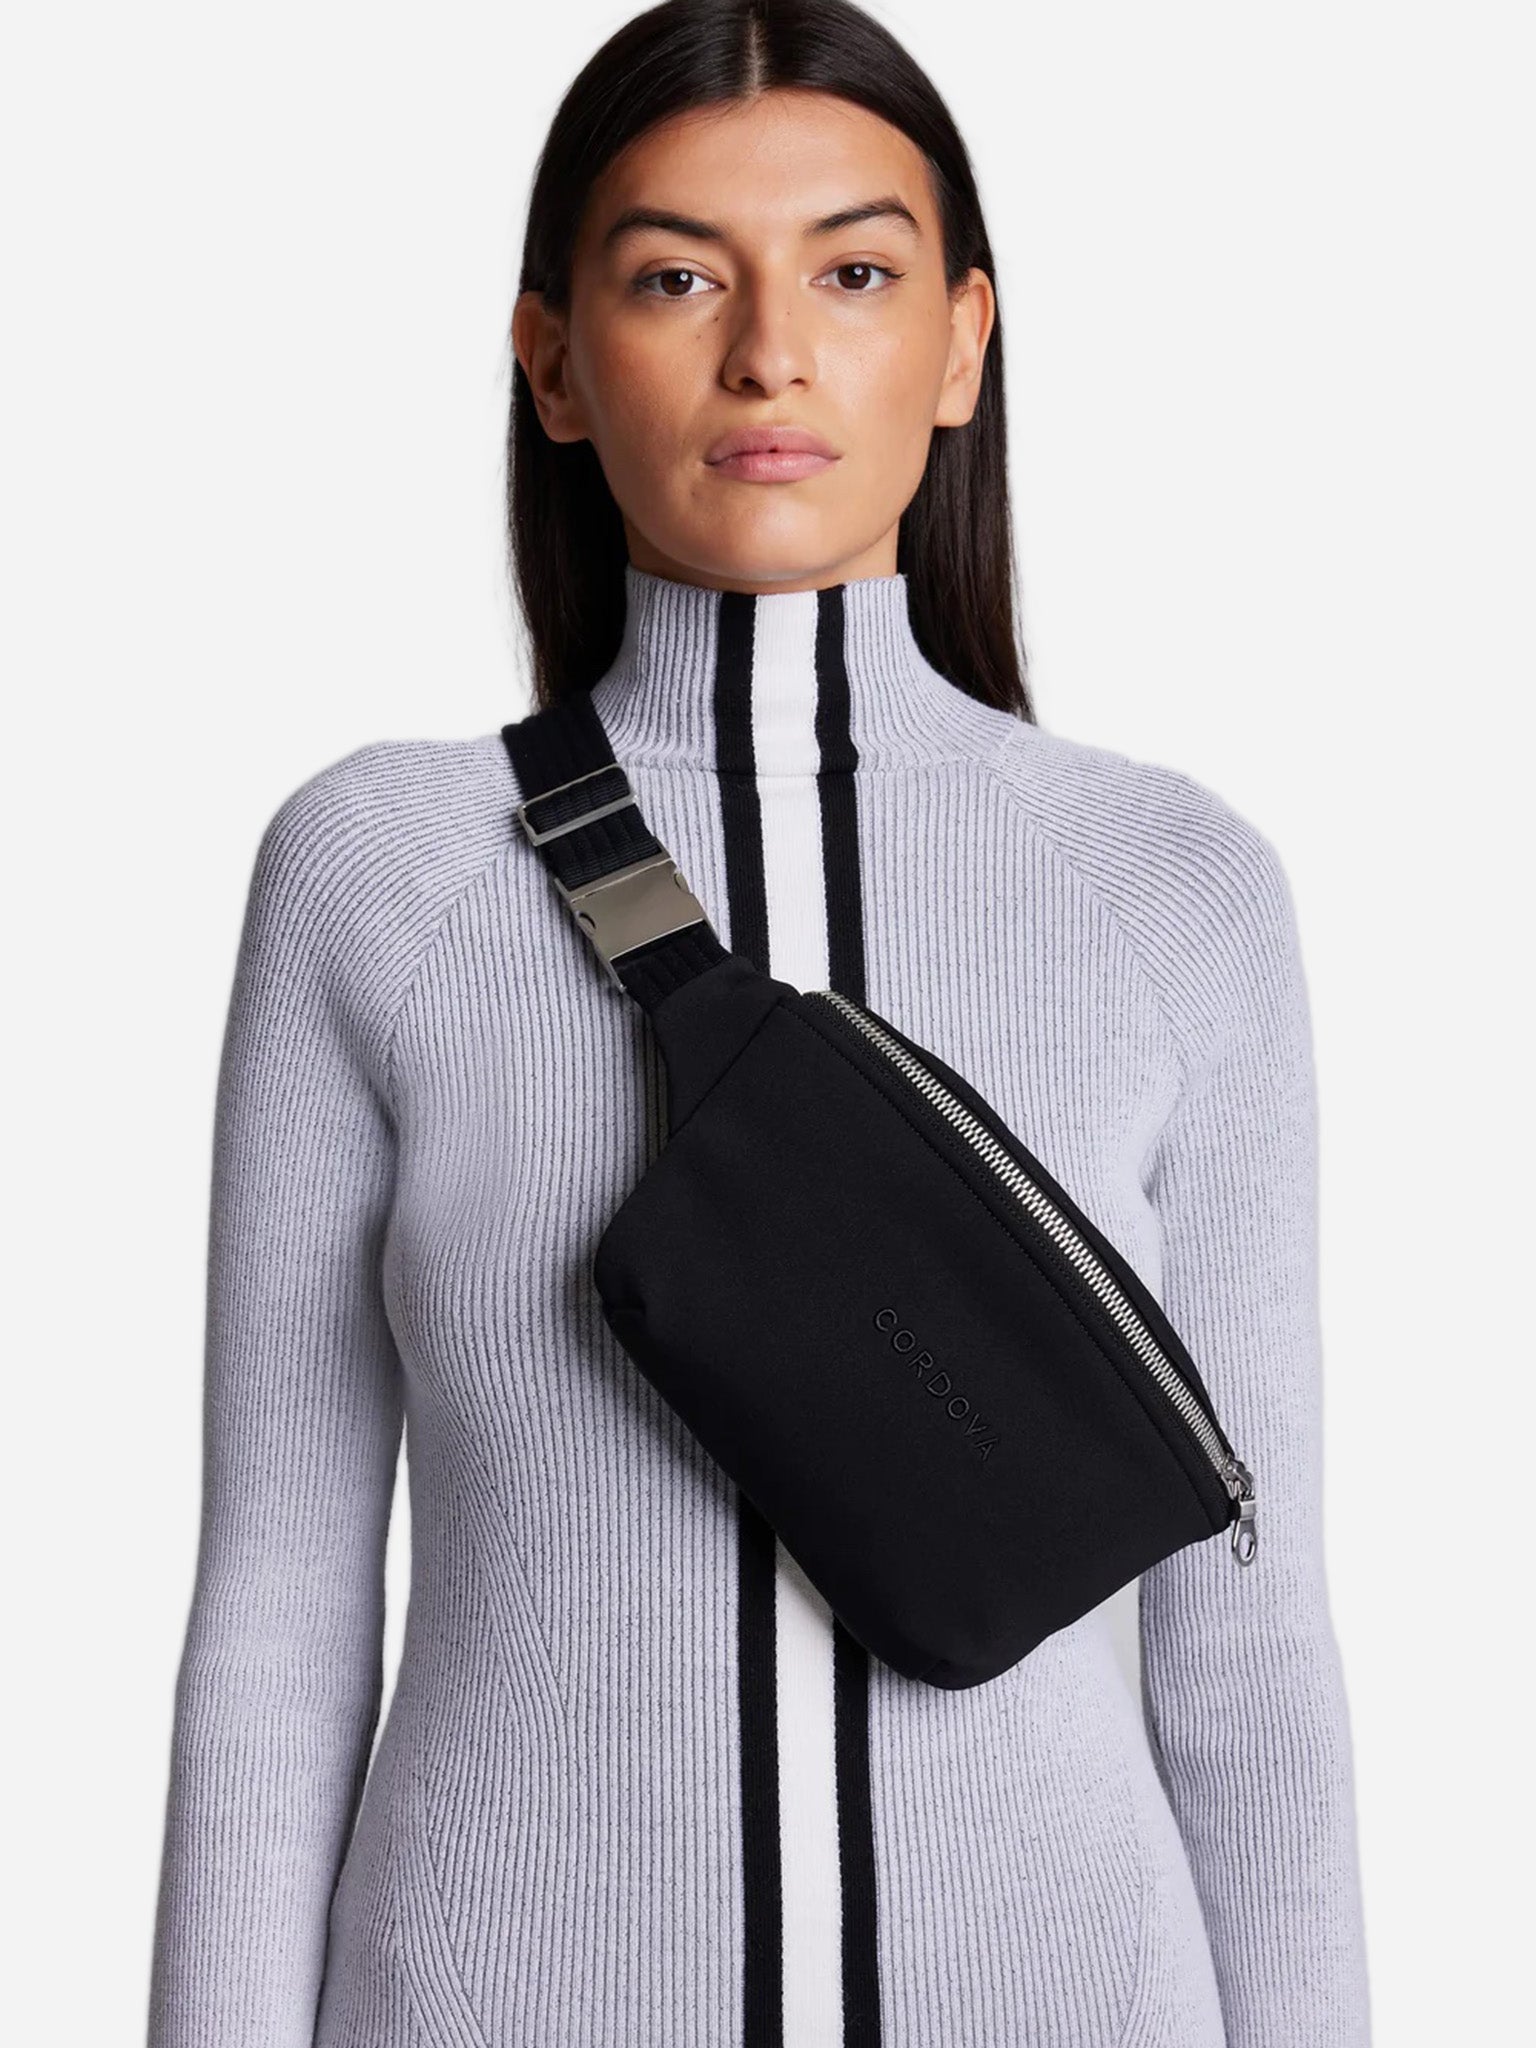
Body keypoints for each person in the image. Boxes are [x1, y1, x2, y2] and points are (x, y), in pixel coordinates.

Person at [145, 3, 1372, 2043]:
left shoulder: (1174, 887)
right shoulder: (381, 873)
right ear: (553, 361)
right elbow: (277, 1618)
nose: (772, 352)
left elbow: (1248, 1650)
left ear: (963, 346)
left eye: (856, 275)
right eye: (675, 278)